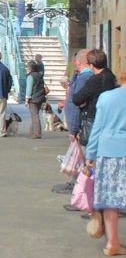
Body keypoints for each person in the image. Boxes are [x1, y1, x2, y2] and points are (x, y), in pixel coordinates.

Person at [83, 69, 126, 257]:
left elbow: (97, 128)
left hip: (108, 153)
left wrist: (90, 155)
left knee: (110, 200)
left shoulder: (106, 98)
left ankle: (112, 243)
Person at [53, 48, 93, 195]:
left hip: (81, 125)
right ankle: (77, 182)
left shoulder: (84, 78)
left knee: (83, 156)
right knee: (80, 156)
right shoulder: (81, 77)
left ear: (79, 61)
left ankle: (81, 186)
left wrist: (73, 129)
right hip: (79, 124)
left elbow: (77, 102)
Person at [72, 49, 117, 147]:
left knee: (91, 148)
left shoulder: (94, 80)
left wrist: (84, 103)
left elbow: (77, 99)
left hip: (93, 117)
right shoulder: (112, 77)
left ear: (91, 65)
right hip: (110, 119)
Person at [24, 60, 46, 139]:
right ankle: (31, 132)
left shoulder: (30, 76)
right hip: (41, 97)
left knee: (34, 116)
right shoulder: (40, 75)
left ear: (30, 68)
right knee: (35, 115)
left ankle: (37, 133)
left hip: (33, 99)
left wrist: (27, 99)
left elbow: (29, 89)